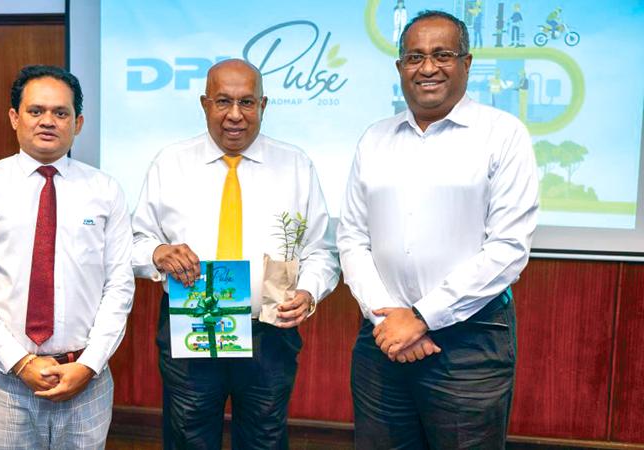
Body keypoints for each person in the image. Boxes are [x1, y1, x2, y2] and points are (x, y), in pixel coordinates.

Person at [337, 11, 538, 450]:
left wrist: (423, 317)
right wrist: (389, 318)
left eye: (442, 55)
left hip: (470, 342)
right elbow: (352, 237)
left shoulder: (503, 135)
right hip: (382, 339)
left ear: (466, 63)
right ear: (400, 69)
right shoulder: (374, 138)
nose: (428, 68)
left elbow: (507, 248)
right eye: (415, 57)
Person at [131, 58, 339, 449]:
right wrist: (158, 252)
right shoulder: (169, 163)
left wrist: (309, 292)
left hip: (270, 331)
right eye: (223, 101)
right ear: (204, 103)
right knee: (188, 438)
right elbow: (134, 242)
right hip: (191, 325)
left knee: (264, 438)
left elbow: (322, 251)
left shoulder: (296, 164)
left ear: (263, 105)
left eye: (246, 103)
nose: (234, 115)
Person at [0, 65, 135, 449]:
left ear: (77, 123)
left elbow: (119, 286)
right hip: (6, 380)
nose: (48, 121)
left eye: (61, 113)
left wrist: (89, 364)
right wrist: (22, 362)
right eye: (36, 111)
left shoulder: (105, 190)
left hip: (86, 379)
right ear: (14, 117)